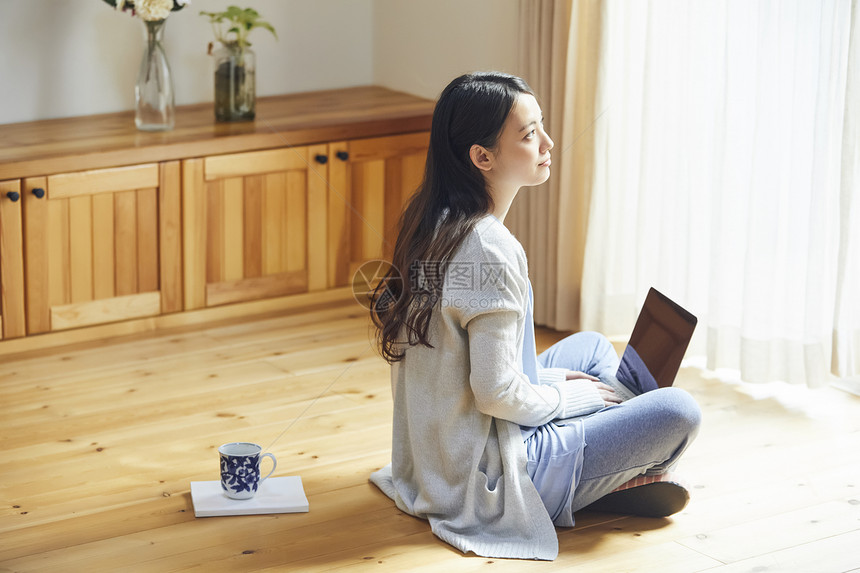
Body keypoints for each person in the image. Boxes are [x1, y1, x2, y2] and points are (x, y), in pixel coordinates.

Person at [368, 72, 701, 561]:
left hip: (437, 451)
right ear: (481, 157)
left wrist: (559, 389)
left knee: (588, 346)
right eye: (528, 135)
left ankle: (619, 450)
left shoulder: (430, 216)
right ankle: (620, 464)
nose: (547, 143)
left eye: (540, 127)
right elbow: (496, 392)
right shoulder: (490, 247)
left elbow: (465, 369)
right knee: (678, 411)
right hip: (490, 473)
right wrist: (564, 399)